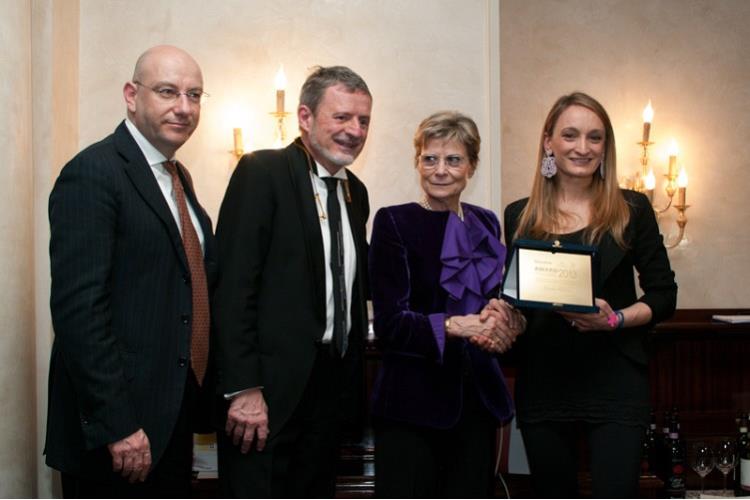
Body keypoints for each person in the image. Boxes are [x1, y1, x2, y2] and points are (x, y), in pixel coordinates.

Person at [46, 45, 216, 497]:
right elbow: (79, 312)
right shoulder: (93, 172)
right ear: (131, 95)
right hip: (118, 432)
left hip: (171, 420)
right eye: (167, 92)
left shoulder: (179, 180)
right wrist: (117, 425)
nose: (184, 107)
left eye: (194, 95)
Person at [501, 92, 678, 497]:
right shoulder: (519, 215)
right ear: (549, 142)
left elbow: (664, 295)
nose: (583, 148)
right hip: (544, 380)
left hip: (615, 379)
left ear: (606, 147)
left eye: (595, 138)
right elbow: (517, 299)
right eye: (570, 135)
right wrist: (502, 316)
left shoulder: (633, 209)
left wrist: (613, 319)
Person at [213, 65, 372, 497]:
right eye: (341, 117)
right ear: (304, 117)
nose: (354, 130)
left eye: (363, 120)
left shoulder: (356, 191)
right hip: (268, 393)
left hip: (331, 391)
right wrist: (245, 388)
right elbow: (233, 288)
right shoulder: (263, 172)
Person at [368, 111, 526, 498]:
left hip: (475, 401)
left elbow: (496, 295)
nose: (440, 170)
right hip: (410, 403)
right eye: (430, 158)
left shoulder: (486, 222)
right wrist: (457, 326)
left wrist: (503, 317)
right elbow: (389, 325)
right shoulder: (393, 222)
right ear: (417, 162)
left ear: (471, 166)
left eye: (453, 159)